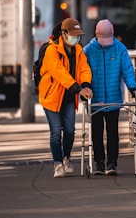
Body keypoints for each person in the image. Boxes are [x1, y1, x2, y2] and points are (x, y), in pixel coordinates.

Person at [38, 18, 93, 178]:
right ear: (63, 34)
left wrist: (86, 84)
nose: (76, 38)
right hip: (51, 96)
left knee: (69, 131)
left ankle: (66, 158)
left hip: (68, 96)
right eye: (73, 35)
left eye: (78, 35)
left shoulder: (78, 50)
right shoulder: (51, 50)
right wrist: (78, 89)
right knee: (56, 132)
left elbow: (84, 68)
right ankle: (58, 164)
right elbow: (59, 73)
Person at [83, 19, 136, 176]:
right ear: (96, 34)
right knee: (97, 132)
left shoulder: (120, 49)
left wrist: (133, 86)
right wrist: (83, 89)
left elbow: (127, 69)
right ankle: (99, 163)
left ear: (113, 33)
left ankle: (112, 163)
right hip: (94, 99)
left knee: (113, 132)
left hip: (113, 98)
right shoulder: (88, 51)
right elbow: (83, 72)